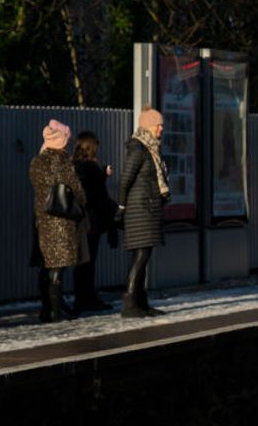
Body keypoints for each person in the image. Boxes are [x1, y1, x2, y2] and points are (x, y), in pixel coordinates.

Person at [29, 119, 87, 323]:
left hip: (42, 220)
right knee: (58, 267)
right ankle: (56, 312)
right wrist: (81, 203)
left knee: (46, 264)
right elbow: (78, 190)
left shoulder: (36, 162)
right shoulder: (63, 163)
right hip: (62, 220)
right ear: (61, 142)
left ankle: (46, 309)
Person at [119, 107, 170, 318]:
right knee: (141, 256)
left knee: (143, 256)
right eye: (158, 125)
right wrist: (121, 207)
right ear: (148, 126)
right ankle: (130, 303)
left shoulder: (151, 149)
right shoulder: (139, 149)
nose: (161, 129)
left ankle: (141, 303)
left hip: (147, 209)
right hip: (139, 210)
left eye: (161, 125)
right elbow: (125, 180)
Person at [72, 131, 119, 312]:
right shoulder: (90, 167)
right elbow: (98, 195)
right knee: (88, 261)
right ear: (91, 147)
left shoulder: (75, 165)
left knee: (82, 261)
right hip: (92, 221)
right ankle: (87, 298)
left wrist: (102, 174)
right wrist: (115, 211)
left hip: (80, 220)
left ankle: (82, 298)